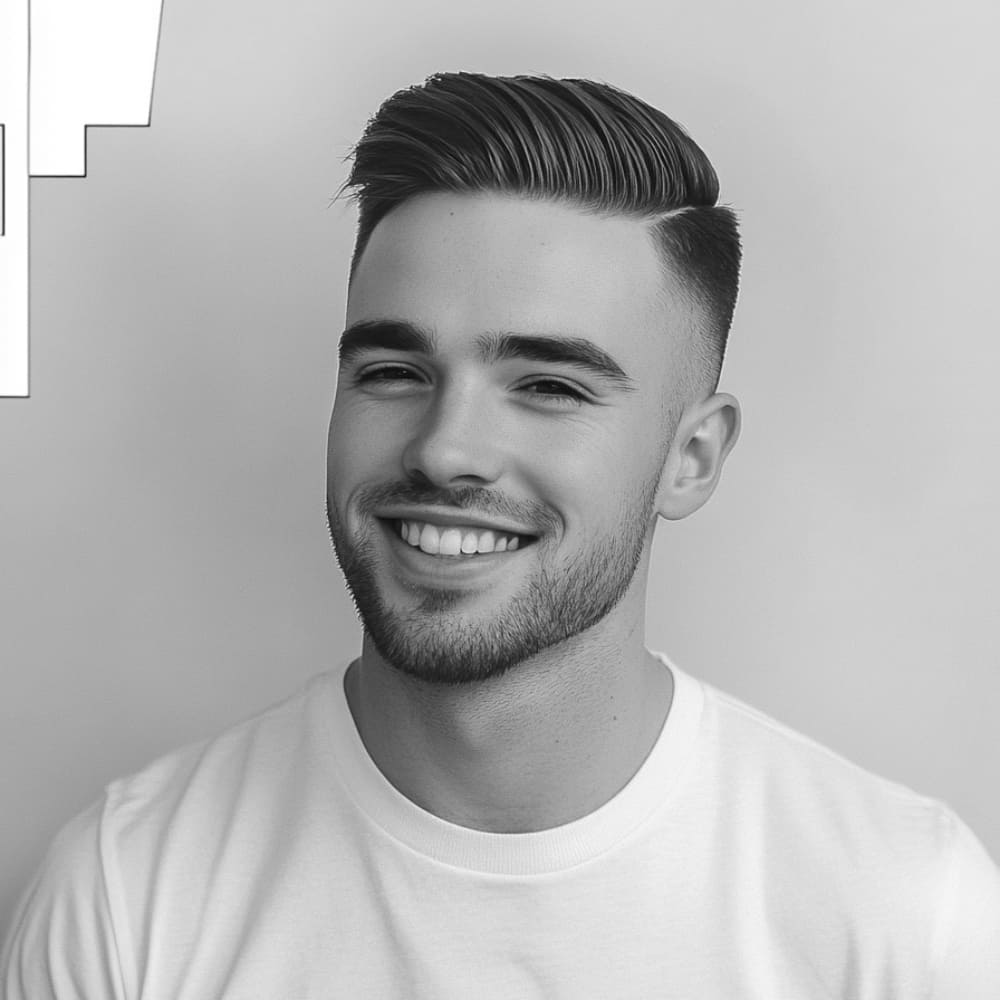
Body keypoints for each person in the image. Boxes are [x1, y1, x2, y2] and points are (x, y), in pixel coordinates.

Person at [3, 71, 998, 998]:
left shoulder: (902, 916)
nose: (445, 451)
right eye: (393, 371)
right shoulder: (126, 895)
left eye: (547, 387)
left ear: (690, 458)